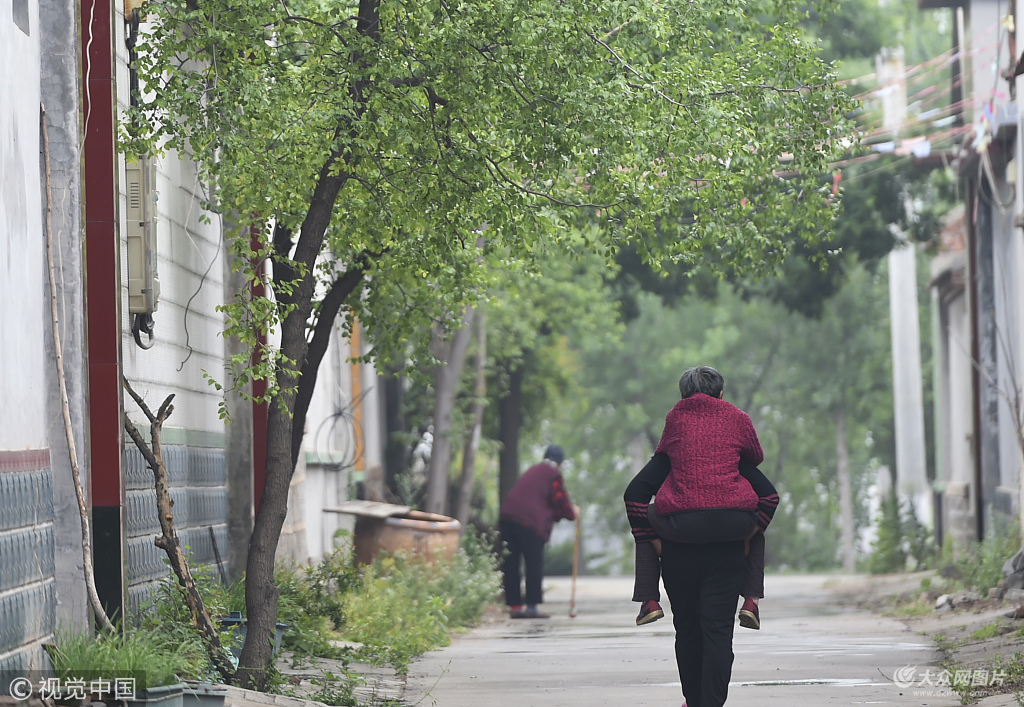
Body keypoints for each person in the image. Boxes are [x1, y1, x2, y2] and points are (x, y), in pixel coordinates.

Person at [623, 366, 779, 707]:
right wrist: (749, 533)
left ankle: (648, 599)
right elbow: (763, 475)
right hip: (729, 546)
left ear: (683, 396)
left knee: (688, 631)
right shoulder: (738, 419)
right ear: (721, 394)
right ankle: (752, 598)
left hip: (679, 546)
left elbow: (634, 494)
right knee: (719, 632)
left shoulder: (675, 421)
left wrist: (652, 539)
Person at [499, 444, 577, 619]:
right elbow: (559, 500)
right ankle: (532, 607)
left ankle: (516, 607)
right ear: (559, 463)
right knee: (533, 563)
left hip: (507, 517)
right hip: (530, 523)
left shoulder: (534, 470)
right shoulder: (553, 474)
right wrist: (572, 512)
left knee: (511, 563)